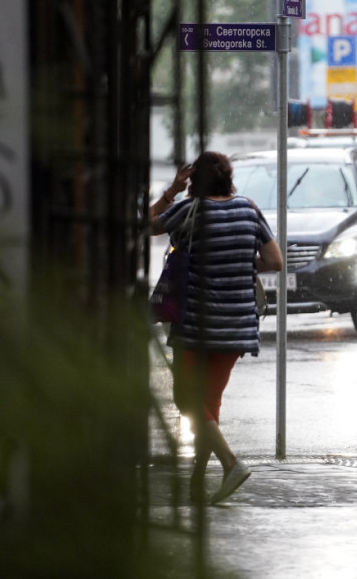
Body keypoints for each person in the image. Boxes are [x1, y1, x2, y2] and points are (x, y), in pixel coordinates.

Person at [149, 151, 283, 505]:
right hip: (237, 327)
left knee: (187, 399)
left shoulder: (189, 210)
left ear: (195, 180)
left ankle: (231, 464)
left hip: (197, 324)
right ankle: (198, 478)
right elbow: (275, 261)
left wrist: (172, 191)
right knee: (208, 403)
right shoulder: (249, 209)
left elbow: (147, 225)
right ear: (228, 178)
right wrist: (241, 261)